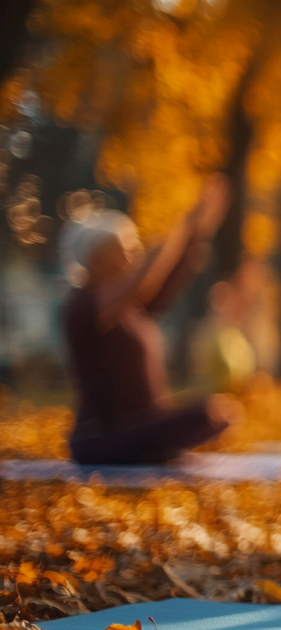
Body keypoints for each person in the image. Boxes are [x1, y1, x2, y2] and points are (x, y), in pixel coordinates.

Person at [59, 177, 236, 465]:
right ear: (97, 258)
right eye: (123, 249)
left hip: (142, 425)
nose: (133, 255)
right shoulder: (84, 307)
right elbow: (144, 276)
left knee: (216, 412)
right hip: (100, 437)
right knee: (207, 413)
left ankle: (154, 446)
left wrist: (197, 230)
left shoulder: (132, 309)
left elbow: (165, 277)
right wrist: (184, 223)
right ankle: (151, 447)